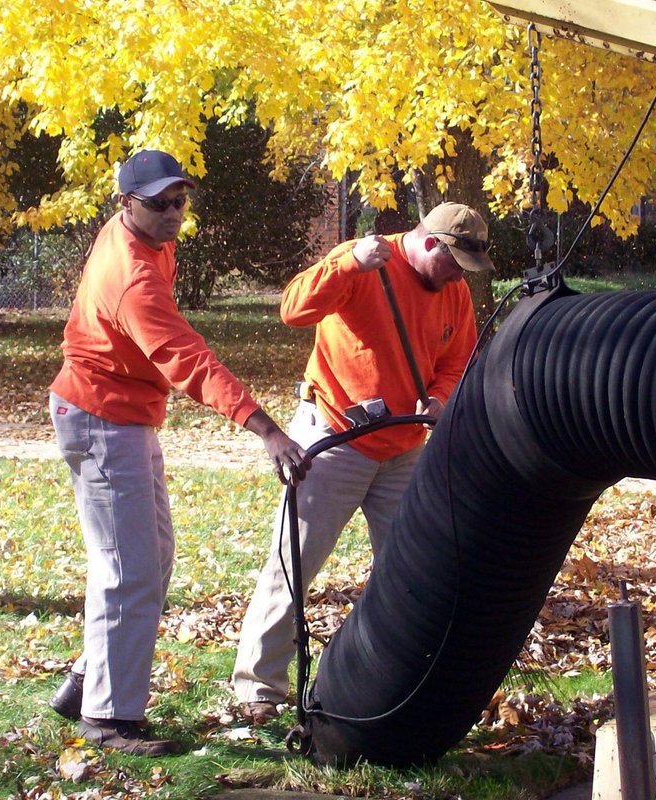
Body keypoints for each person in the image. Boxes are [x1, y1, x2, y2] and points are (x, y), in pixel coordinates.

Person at [46, 149, 308, 756]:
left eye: (179, 202)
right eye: (158, 204)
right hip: (100, 416)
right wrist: (265, 427)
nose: (172, 215)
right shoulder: (133, 276)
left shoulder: (144, 237)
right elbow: (185, 357)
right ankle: (108, 719)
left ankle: (88, 679)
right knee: (127, 568)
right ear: (125, 204)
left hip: (121, 415)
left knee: (150, 555)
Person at [232, 202, 493, 724]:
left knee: (413, 569)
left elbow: (457, 359)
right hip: (335, 435)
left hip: (403, 448)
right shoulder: (362, 262)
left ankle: (403, 680)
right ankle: (258, 686)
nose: (457, 279)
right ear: (430, 243)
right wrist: (346, 264)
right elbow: (292, 309)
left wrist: (440, 399)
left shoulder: (454, 291)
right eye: (453, 264)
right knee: (294, 561)